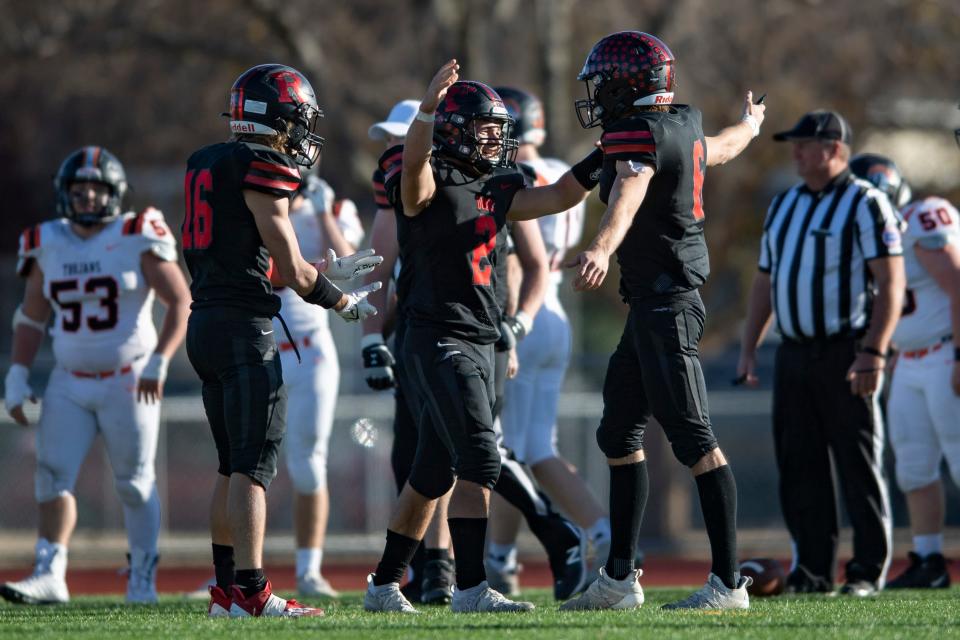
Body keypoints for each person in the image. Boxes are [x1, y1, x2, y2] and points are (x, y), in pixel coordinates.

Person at [362, 60, 603, 614]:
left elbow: (561, 195)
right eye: (486, 128)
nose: (497, 138)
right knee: (480, 457)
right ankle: (471, 588)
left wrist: (606, 152)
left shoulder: (498, 184)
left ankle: (383, 585)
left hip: (482, 336)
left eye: (500, 128)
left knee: (431, 471)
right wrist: (426, 109)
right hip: (434, 333)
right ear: (453, 129)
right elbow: (417, 167)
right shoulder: (423, 180)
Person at [558, 31, 764, 611]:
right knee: (618, 432)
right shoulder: (684, 123)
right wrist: (751, 125)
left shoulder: (636, 134)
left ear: (629, 84)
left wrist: (600, 247)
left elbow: (630, 187)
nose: (597, 95)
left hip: (669, 302)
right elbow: (722, 148)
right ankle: (620, 579)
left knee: (694, 439)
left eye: (604, 83)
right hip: (653, 303)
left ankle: (727, 584)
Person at [183, 63, 381, 618]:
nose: (301, 133)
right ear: (274, 118)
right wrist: (338, 300)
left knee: (230, 463)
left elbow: (243, 259)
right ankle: (250, 590)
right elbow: (289, 269)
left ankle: (225, 592)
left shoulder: (206, 162)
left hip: (207, 322)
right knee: (253, 463)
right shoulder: (263, 165)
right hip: (245, 329)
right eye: (297, 120)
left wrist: (322, 270)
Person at [1, 146, 191, 605]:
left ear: (115, 193)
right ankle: (50, 571)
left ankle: (142, 576)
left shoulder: (135, 232)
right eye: (78, 189)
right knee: (51, 474)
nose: (86, 197)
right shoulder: (47, 240)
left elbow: (181, 302)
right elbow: (30, 317)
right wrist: (18, 373)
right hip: (69, 378)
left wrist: (160, 360)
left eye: (96, 189)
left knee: (134, 480)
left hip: (129, 377)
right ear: (64, 193)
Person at [737, 112, 905, 596]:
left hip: (845, 350)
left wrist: (873, 351)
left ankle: (867, 572)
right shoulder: (784, 204)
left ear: (833, 148)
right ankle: (812, 571)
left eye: (804, 144)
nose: (795, 153)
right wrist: (749, 348)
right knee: (800, 466)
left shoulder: (867, 203)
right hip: (793, 353)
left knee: (857, 465)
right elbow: (765, 282)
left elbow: (891, 284)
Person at [485, 86, 611, 589]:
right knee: (526, 445)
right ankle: (502, 560)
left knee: (513, 450)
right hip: (555, 311)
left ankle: (597, 533)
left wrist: (511, 325)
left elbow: (515, 260)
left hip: (524, 313)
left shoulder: (515, 177)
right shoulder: (558, 166)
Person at [850, 154, 958, 589]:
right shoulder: (880, 237)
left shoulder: (919, 217)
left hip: (946, 354)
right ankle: (929, 560)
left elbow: (956, 283)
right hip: (910, 361)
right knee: (914, 467)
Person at [272, 170, 365, 599]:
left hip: (310, 350)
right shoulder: (260, 199)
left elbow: (353, 266)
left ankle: (309, 569)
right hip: (262, 348)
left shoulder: (333, 207)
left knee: (308, 463)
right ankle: (230, 568)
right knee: (242, 461)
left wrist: (323, 212)